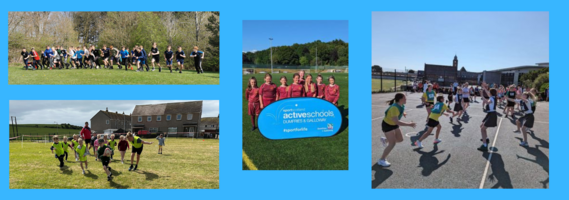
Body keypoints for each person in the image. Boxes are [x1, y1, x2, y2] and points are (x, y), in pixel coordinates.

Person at [377, 93, 416, 167]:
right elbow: (397, 122)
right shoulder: (394, 108)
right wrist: (409, 124)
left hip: (393, 125)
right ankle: (381, 160)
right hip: (387, 125)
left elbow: (401, 109)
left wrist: (403, 113)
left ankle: (385, 140)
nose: (406, 99)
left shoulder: (401, 105)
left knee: (400, 139)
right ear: (400, 99)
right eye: (405, 98)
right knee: (392, 143)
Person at [477, 82, 497, 151]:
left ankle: (484, 145)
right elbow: (488, 93)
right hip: (490, 114)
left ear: (491, 93)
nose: (488, 92)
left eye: (489, 91)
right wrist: (484, 88)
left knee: (482, 128)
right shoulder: (493, 97)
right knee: (482, 127)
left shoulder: (491, 99)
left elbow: (487, 102)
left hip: (492, 115)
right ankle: (486, 139)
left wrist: (482, 95)